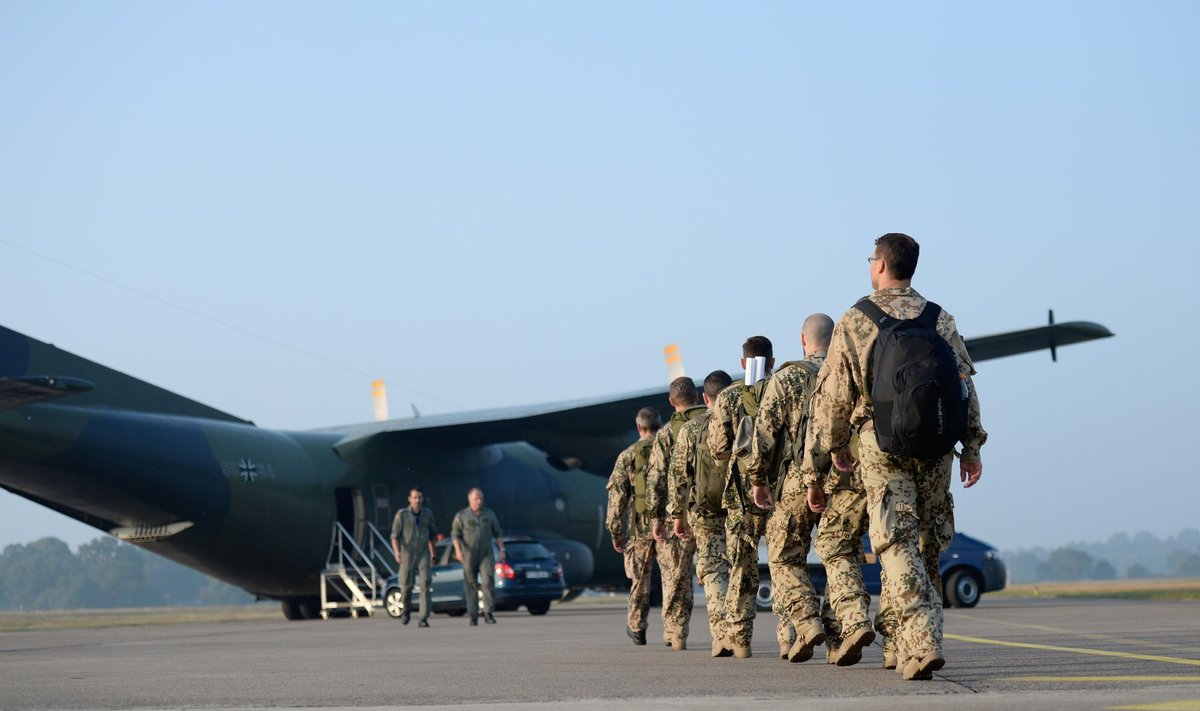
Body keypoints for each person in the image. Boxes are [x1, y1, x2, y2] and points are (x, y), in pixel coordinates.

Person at [802, 233, 986, 680]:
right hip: (937, 447)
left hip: (881, 447)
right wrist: (972, 446)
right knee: (926, 545)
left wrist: (828, 455)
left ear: (881, 265)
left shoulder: (857, 319)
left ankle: (921, 642)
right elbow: (964, 385)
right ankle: (899, 648)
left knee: (894, 541)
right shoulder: (939, 318)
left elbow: (831, 399)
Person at [744, 316, 834, 663]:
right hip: (845, 482)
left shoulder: (787, 377)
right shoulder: (853, 372)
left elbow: (763, 435)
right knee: (842, 558)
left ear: (802, 340)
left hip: (797, 482)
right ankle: (842, 633)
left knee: (783, 557)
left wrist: (758, 480)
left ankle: (808, 622)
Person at [707, 336, 778, 658]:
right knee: (785, 563)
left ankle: (739, 640)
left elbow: (719, 450)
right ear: (772, 362)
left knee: (741, 566)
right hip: (781, 492)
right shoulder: (783, 389)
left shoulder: (729, 397)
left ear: (741, 363)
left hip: (740, 495)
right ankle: (790, 636)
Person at [666, 370, 734, 658]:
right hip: (742, 510)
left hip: (705, 512)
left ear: (705, 398)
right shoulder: (748, 423)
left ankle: (722, 637)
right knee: (747, 569)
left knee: (715, 572)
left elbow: (679, 476)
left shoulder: (691, 430)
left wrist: (677, 515)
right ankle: (782, 636)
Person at [645, 377, 703, 651]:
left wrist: (656, 519)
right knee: (717, 572)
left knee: (674, 577)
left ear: (671, 402)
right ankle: (728, 632)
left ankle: (676, 632)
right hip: (712, 511)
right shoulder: (713, 422)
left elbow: (655, 480)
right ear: (698, 396)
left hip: (675, 516)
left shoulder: (666, 434)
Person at [606, 406, 664, 646]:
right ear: (659, 426)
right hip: (669, 527)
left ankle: (637, 627)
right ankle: (675, 630)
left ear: (639, 427)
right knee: (674, 580)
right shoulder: (669, 450)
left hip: (639, 530)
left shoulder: (627, 456)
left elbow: (617, 497)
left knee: (640, 580)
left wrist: (616, 531)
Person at [450, 487, 506, 626]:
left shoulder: (489, 514)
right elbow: (455, 535)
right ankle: (473, 615)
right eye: (476, 499)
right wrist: (458, 551)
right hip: (469, 555)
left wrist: (502, 549)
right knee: (471, 585)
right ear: (470, 500)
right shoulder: (462, 515)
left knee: (488, 582)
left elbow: (498, 533)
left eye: (481, 498)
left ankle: (488, 613)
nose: (479, 501)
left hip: (486, 554)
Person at [390, 487, 438, 627]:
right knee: (405, 586)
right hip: (407, 554)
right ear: (409, 499)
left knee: (425, 585)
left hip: (423, 553)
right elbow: (394, 536)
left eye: (420, 498)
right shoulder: (402, 515)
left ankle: (423, 618)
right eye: (415, 498)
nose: (417, 500)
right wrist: (397, 552)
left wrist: (433, 555)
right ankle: (406, 610)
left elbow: (432, 536)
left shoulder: (428, 515)